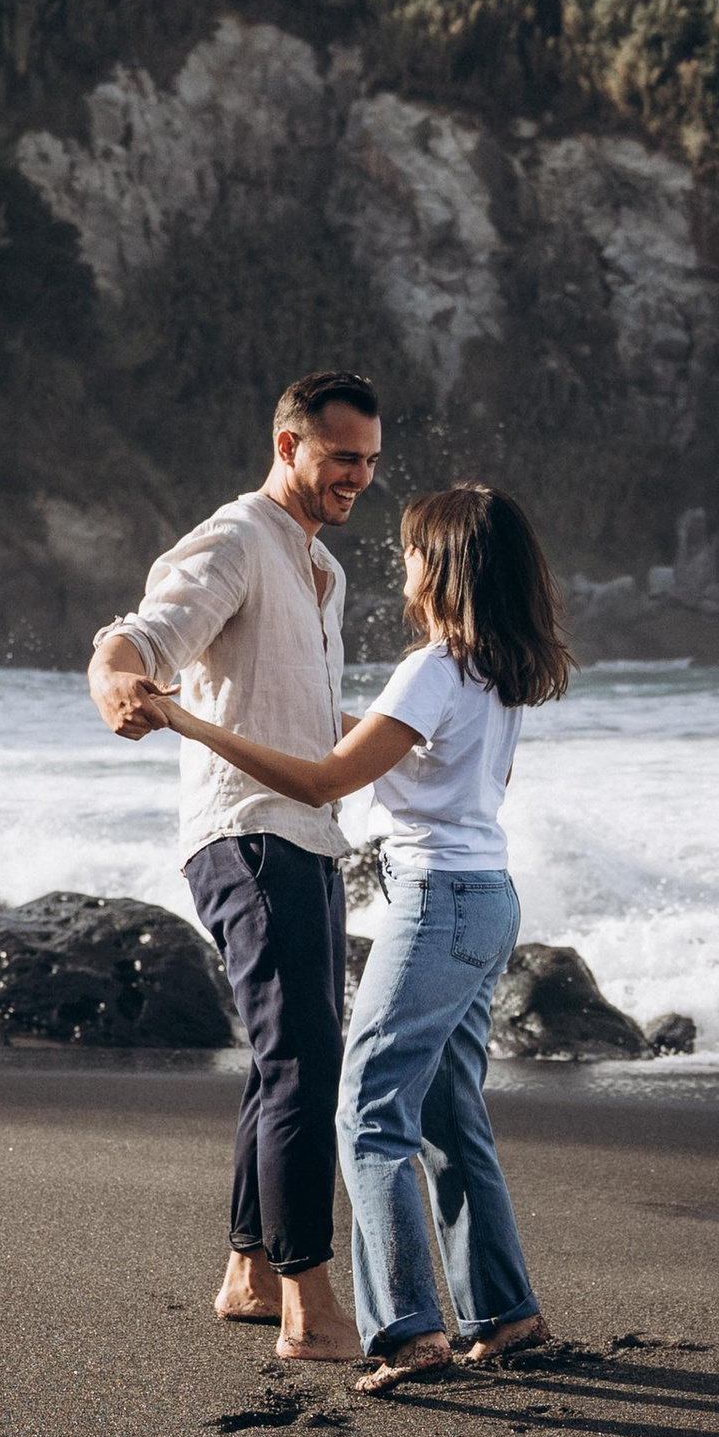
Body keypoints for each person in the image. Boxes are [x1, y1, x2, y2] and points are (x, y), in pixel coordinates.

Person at [119, 481, 571, 1391]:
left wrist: (189, 720)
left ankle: (405, 1332)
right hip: (490, 896)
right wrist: (285, 715)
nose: (401, 561)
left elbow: (325, 782)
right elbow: (410, 757)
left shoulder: (432, 666)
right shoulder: (500, 669)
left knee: (367, 1111)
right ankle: (504, 1313)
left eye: (412, 548)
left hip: (435, 902)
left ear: (440, 565)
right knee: (448, 1112)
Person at [86, 373, 384, 1365]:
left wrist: (420, 740)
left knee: (282, 1055)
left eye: (369, 462)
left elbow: (302, 709)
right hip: (247, 833)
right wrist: (114, 677)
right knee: (306, 1059)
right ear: (287, 444)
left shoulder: (322, 569)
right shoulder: (237, 538)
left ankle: (250, 1273)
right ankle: (308, 1301)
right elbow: (143, 635)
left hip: (309, 834)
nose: (357, 477)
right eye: (341, 457)